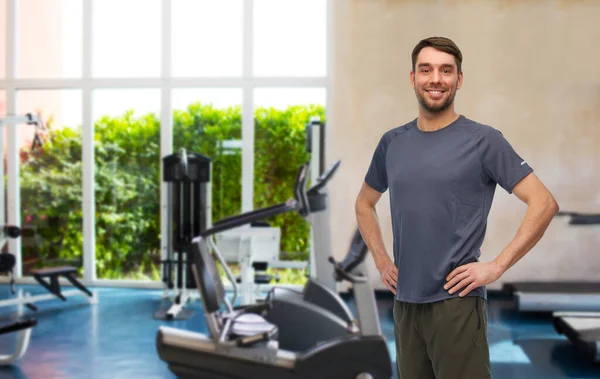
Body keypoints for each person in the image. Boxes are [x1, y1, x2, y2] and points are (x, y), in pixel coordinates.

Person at [354, 36, 559, 379]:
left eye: (445, 70)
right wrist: (380, 259)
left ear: (459, 79)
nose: (435, 78)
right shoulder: (392, 142)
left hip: (456, 304)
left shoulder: (483, 140)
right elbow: (364, 203)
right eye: (426, 70)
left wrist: (496, 266)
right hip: (405, 305)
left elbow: (543, 203)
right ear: (413, 78)